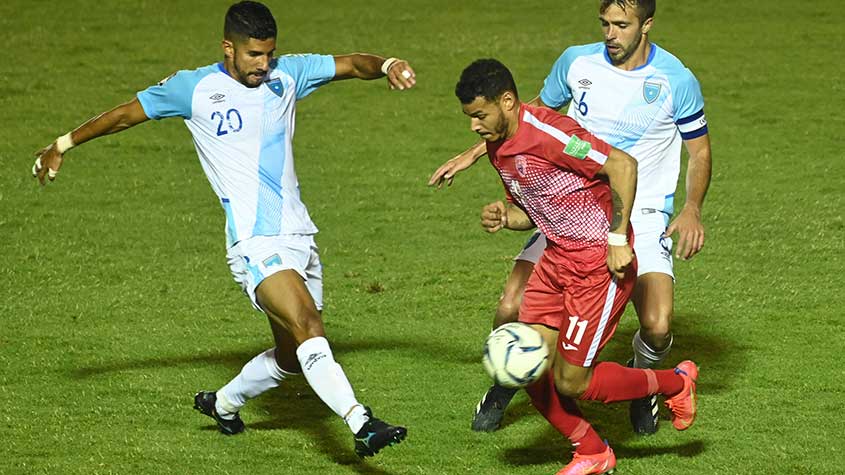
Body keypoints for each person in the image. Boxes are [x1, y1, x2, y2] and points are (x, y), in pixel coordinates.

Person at [31, 1, 415, 458]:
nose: (263, 64)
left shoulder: (287, 75)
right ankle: (361, 421)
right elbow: (125, 115)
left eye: (269, 53)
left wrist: (388, 64)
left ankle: (224, 403)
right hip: (254, 243)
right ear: (228, 48)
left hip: (300, 236)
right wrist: (63, 143)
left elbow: (352, 64)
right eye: (254, 55)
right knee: (309, 324)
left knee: (294, 355)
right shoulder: (194, 88)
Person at [430, 0, 711, 435]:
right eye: (605, 23)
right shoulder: (576, 62)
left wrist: (692, 207)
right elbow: (527, 116)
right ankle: (507, 381)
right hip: (567, 205)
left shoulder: (677, 80)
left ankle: (645, 386)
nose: (611, 34)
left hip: (640, 210)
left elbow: (699, 151)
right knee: (509, 308)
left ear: (647, 24)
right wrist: (475, 154)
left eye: (622, 25)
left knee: (656, 326)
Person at [454, 58, 698, 475]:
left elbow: (621, 165)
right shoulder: (500, 148)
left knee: (571, 381)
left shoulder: (553, 134)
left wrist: (618, 238)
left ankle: (678, 382)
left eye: (479, 115)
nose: (474, 127)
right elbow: (534, 210)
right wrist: (506, 216)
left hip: (597, 265)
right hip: (555, 261)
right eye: (470, 118)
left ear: (507, 101)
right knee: (526, 364)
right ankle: (591, 450)